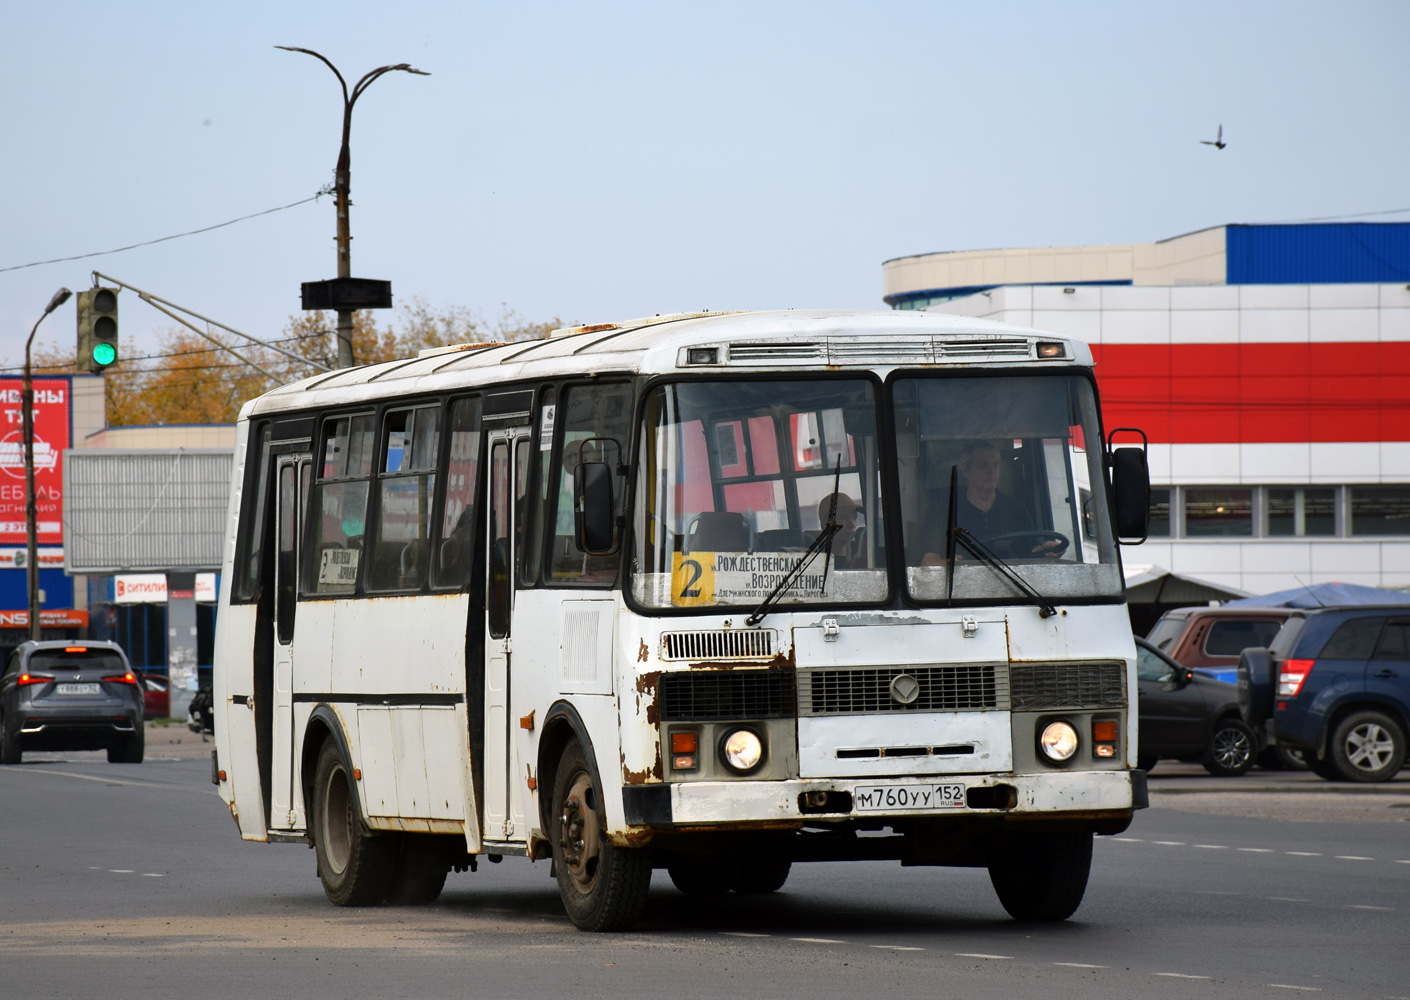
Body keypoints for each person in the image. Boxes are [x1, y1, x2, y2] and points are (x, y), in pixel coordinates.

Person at [921, 441, 1058, 564]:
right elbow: (927, 562)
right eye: (983, 465)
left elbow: (1031, 551)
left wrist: (1044, 550)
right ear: (966, 470)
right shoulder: (946, 510)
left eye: (995, 465)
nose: (991, 471)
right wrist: (950, 564)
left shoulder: (1015, 508)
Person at [816, 492, 865, 568]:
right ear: (825, 524)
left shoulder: (862, 552)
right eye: (843, 518)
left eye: (854, 518)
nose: (852, 525)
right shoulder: (815, 559)